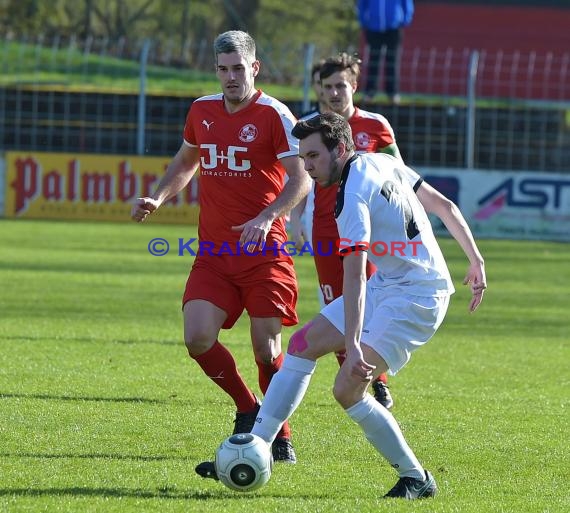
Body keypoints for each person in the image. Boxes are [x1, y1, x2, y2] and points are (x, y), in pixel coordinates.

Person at [236, 112, 482, 498]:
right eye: (303, 158)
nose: (307, 168)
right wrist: (476, 260)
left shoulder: (351, 195)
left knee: (348, 389)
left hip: (418, 296)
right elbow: (445, 206)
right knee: (302, 344)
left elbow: (353, 276)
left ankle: (416, 479)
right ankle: (257, 446)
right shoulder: (382, 161)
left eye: (314, 156)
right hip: (389, 282)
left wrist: (351, 346)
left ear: (342, 148)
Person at [130, 30, 312, 469]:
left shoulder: (275, 115)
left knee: (267, 350)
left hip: (264, 252)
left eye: (238, 68)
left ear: (254, 67)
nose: (231, 77)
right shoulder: (202, 110)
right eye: (223, 69)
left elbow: (300, 177)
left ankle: (279, 434)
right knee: (196, 337)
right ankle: (247, 406)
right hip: (213, 252)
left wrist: (269, 216)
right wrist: (159, 196)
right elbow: (186, 161)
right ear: (216, 70)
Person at [290, 52, 400, 409]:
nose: (335, 93)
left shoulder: (376, 125)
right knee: (335, 303)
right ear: (319, 90)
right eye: (328, 87)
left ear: (354, 85)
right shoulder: (308, 127)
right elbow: (301, 177)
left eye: (341, 85)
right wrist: (295, 219)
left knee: (367, 298)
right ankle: (356, 376)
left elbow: (397, 173)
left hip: (367, 228)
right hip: (324, 227)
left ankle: (376, 380)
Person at [357, 0, 415, 104]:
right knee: (373, 61)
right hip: (373, 27)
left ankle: (392, 93)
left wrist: (406, 19)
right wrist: (363, 20)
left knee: (392, 61)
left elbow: (407, 3)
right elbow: (362, 4)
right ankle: (370, 92)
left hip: (394, 27)